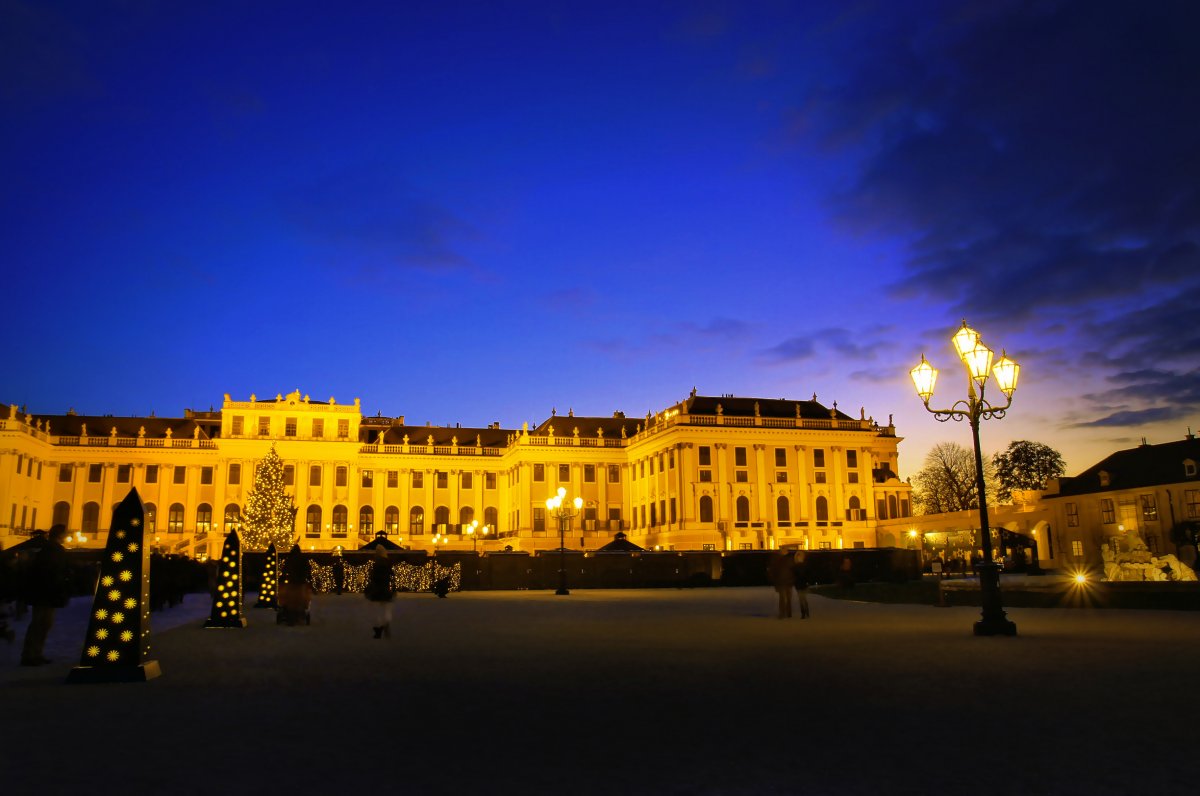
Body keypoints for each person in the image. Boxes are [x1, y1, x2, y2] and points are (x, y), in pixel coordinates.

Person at [20, 525, 71, 666]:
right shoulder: (51, 550)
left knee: (43, 624)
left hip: (45, 592)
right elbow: (50, 572)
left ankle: (35, 653)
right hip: (45, 592)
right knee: (40, 624)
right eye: (65, 534)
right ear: (60, 535)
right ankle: (30, 655)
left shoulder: (50, 549)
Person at [364, 544, 396, 638]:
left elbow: (374, 577)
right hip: (386, 590)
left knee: (377, 611)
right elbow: (392, 576)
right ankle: (385, 626)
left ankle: (379, 629)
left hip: (378, 590)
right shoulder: (388, 563)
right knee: (385, 610)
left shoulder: (377, 564)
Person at [767, 550, 796, 619]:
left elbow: (773, 573)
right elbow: (794, 571)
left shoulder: (778, 562)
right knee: (787, 598)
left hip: (783, 582)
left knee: (783, 598)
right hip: (787, 582)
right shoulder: (789, 561)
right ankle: (788, 613)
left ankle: (783, 613)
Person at [793, 552, 811, 619]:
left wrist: (808, 582)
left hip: (804, 584)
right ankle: (804, 612)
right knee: (801, 599)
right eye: (798, 557)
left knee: (803, 598)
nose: (799, 558)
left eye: (800, 557)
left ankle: (805, 612)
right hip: (798, 584)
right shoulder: (796, 566)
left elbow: (808, 575)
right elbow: (794, 576)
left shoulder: (805, 566)